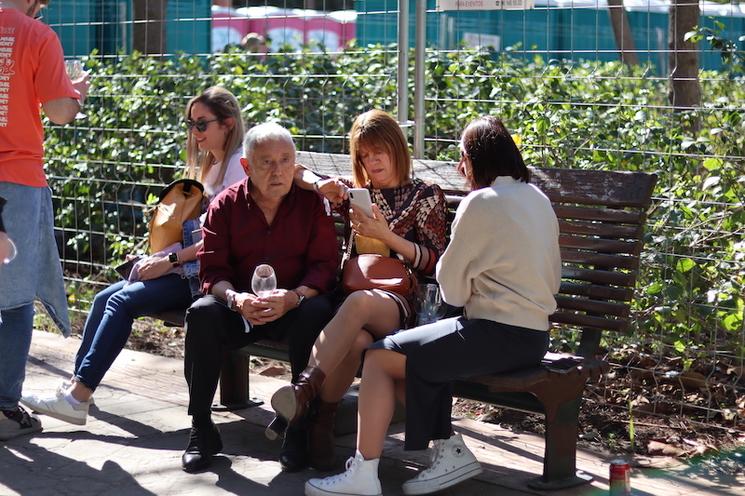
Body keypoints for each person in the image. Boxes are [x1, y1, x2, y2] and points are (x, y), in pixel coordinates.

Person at [304, 116, 562, 496]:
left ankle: (367, 473)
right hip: (535, 337)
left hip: (494, 334)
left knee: (379, 357)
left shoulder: (480, 203)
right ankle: (446, 450)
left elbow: (452, 291)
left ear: (477, 159)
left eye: (463, 158)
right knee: (409, 352)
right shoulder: (537, 197)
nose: (460, 167)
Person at [20, 86, 246, 426]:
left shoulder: (237, 168)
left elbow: (221, 240)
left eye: (201, 124)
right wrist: (157, 257)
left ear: (227, 123)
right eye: (190, 124)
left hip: (210, 275)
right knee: (103, 297)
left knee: (121, 302)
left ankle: (76, 397)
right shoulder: (213, 164)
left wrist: (168, 261)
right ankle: (77, 388)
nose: (193, 132)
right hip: (189, 265)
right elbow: (197, 231)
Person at [270, 109, 448, 471]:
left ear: (397, 148)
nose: (372, 160)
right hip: (355, 302)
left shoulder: (426, 195)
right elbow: (298, 170)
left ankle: (303, 393)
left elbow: (437, 262)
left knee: (360, 303)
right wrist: (321, 185)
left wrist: (388, 237)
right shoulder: (356, 194)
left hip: (403, 301)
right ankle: (322, 423)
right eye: (364, 155)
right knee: (355, 339)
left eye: (379, 151)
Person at [180, 122, 340, 473]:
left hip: (294, 307)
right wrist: (237, 300)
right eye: (266, 162)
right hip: (242, 309)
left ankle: (298, 428)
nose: (277, 170)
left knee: (317, 312)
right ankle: (201, 427)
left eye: (285, 160)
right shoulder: (226, 205)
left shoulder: (311, 204)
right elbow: (212, 273)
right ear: (248, 167)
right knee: (202, 313)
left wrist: (294, 297)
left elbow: (325, 267)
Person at [0, 0, 90, 441]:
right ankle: (2, 408)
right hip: (14, 181)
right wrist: (75, 93)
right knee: (13, 302)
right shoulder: (37, 35)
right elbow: (58, 111)